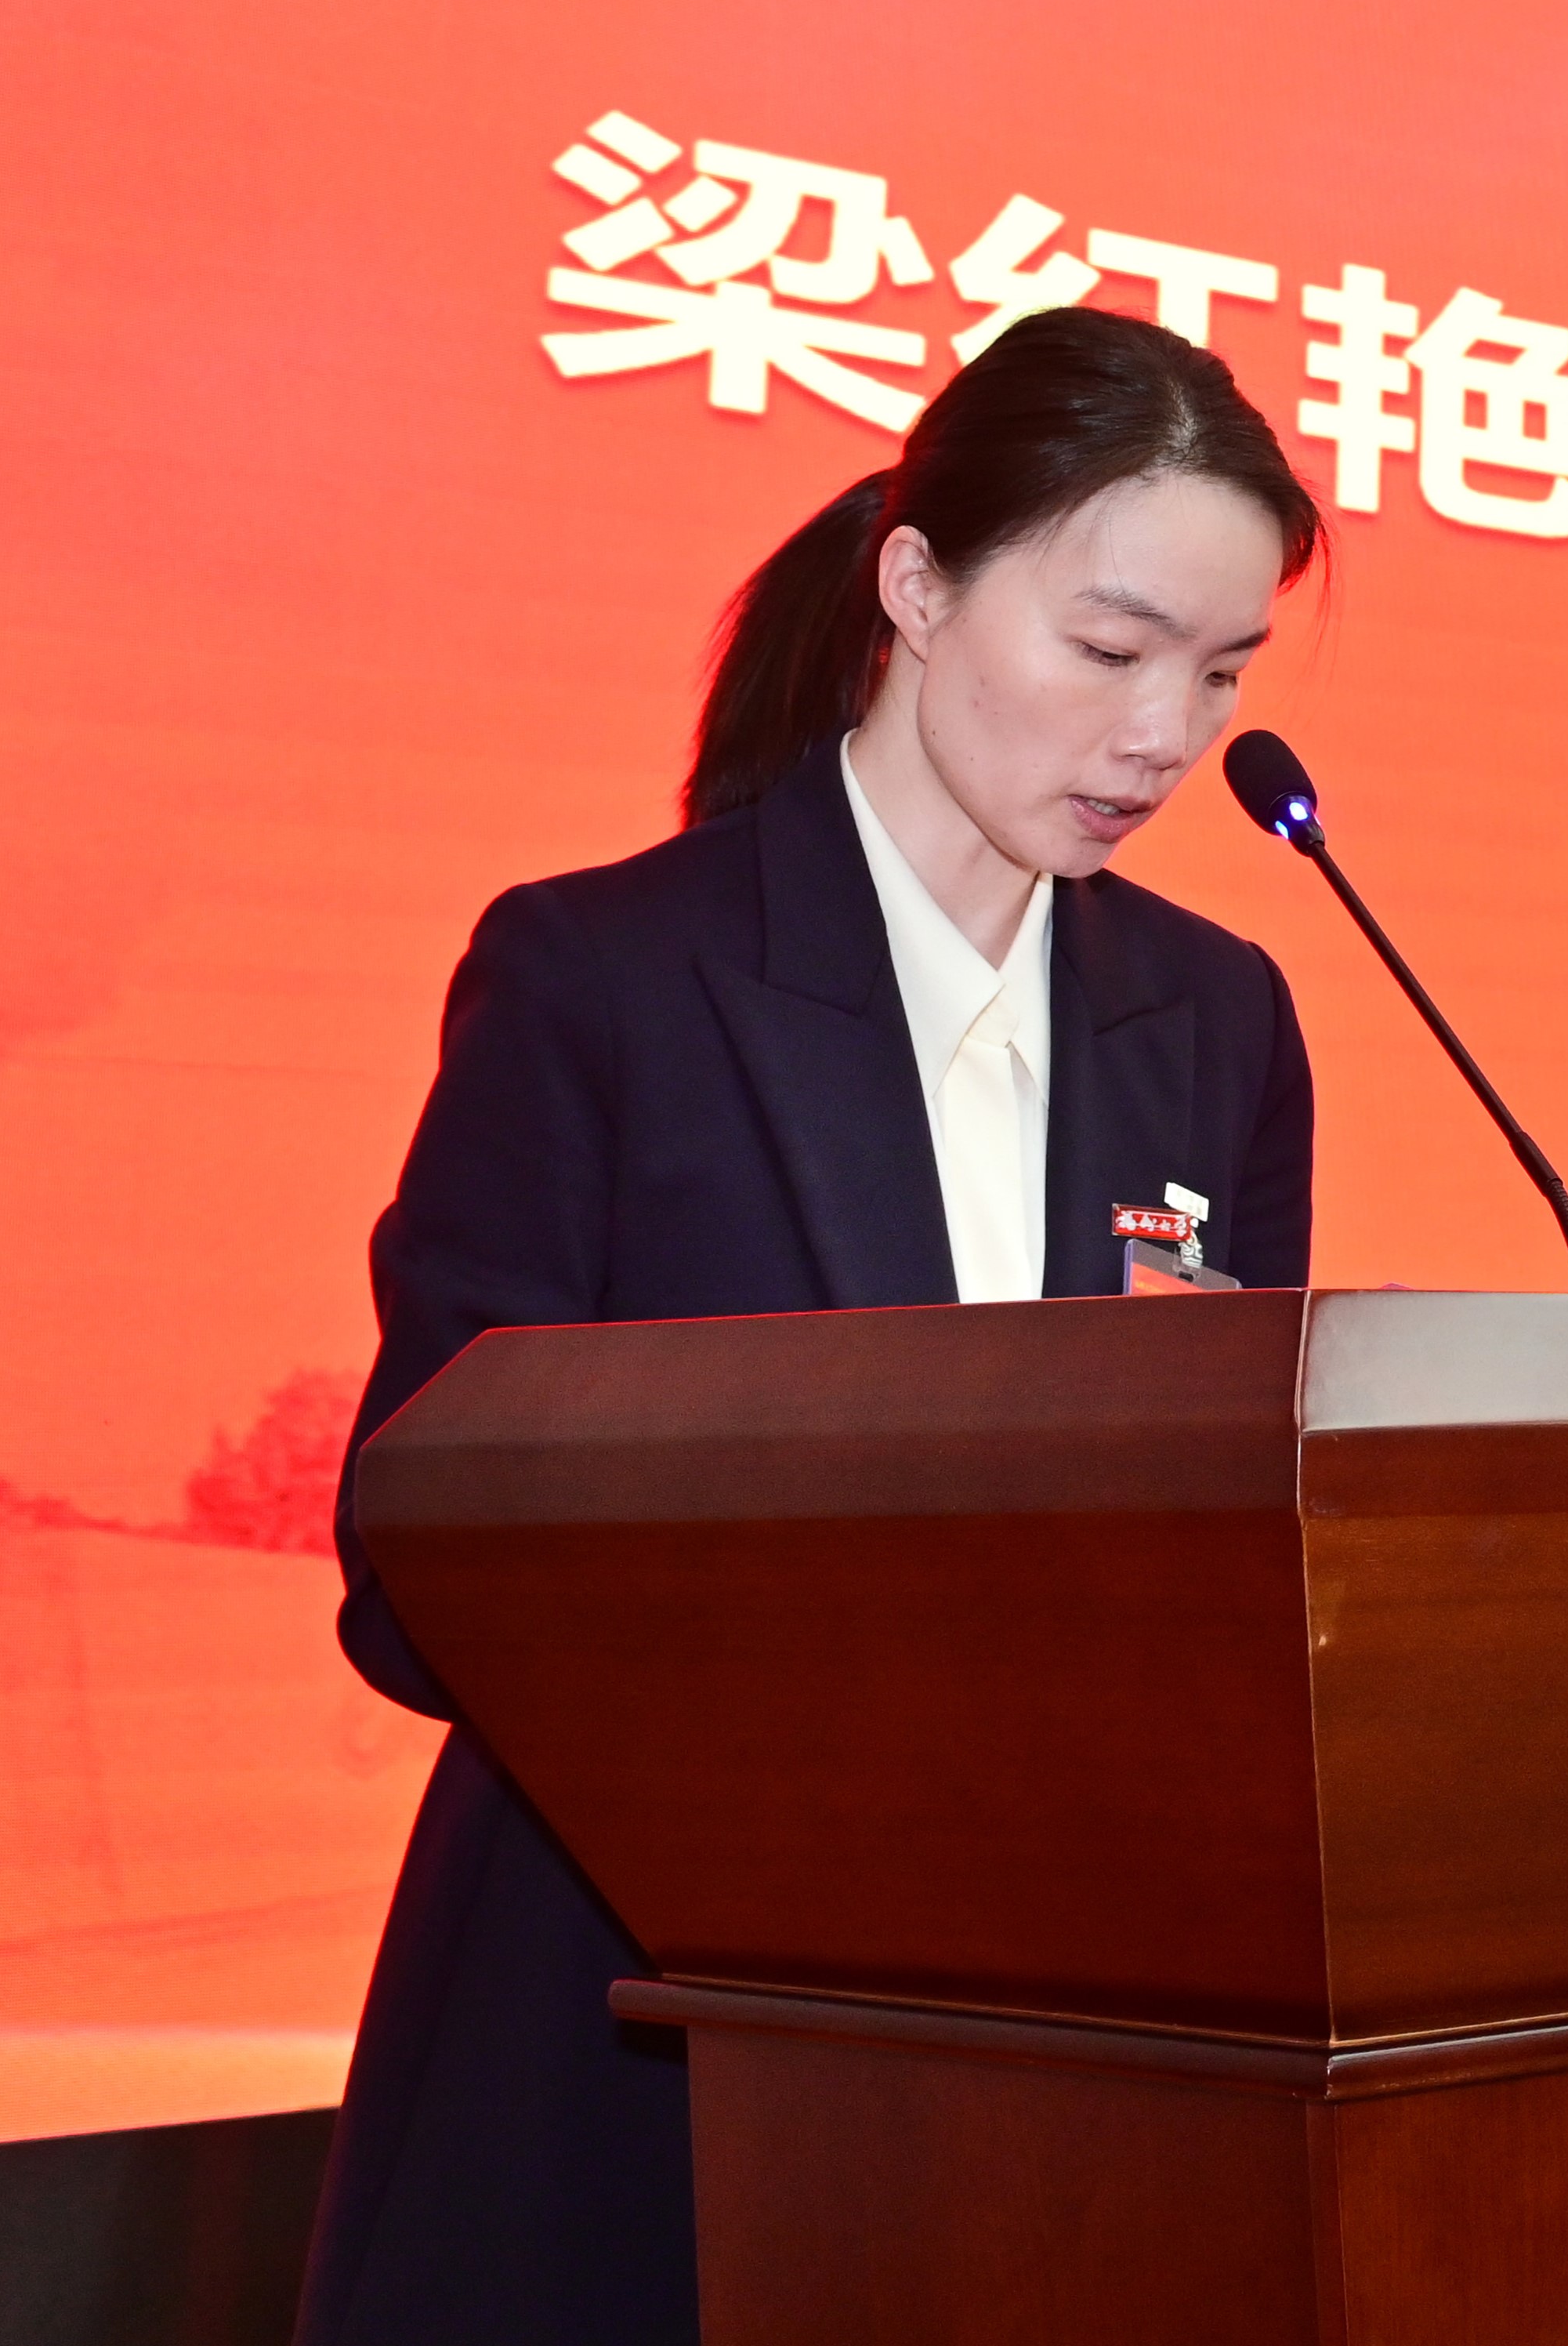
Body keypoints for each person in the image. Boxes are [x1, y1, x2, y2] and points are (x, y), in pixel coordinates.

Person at [292, 310, 1331, 2346]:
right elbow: (421, 1575)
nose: (1164, 734)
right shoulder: (605, 975)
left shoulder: (1217, 1019)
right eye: (1109, 648)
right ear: (915, 586)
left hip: (1072, 2073)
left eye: (1220, 674)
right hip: (629, 2036)